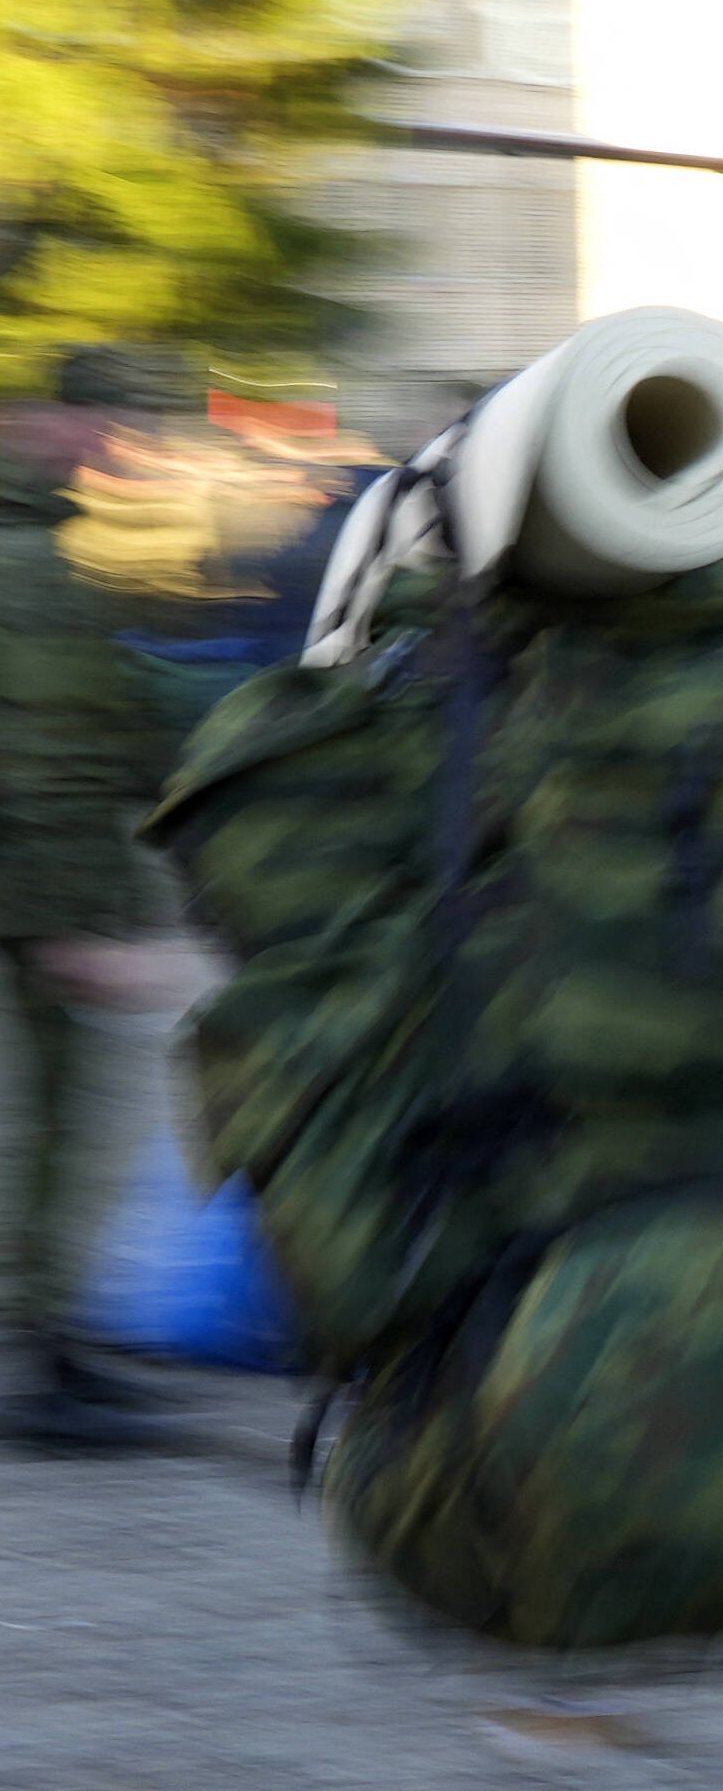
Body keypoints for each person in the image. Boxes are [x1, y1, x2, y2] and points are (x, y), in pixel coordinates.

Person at [0, 345, 213, 1452]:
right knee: (54, 1136)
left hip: (43, 885)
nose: (127, 448)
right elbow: (42, 757)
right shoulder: (29, 562)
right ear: (50, 420)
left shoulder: (51, 551)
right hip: (34, 893)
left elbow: (117, 727)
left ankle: (53, 1346)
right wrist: (63, 922)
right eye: (113, 424)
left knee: (52, 1134)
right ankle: (46, 1362)